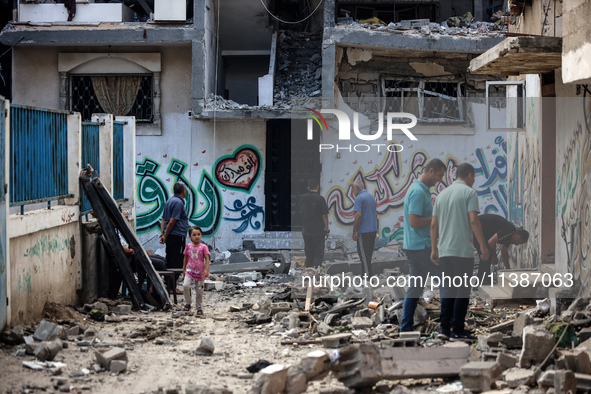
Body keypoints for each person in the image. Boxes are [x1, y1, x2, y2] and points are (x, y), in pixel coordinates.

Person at [431, 163, 489, 341]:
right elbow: (474, 221)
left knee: (447, 290)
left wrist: (434, 249)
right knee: (462, 291)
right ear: (470, 175)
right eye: (474, 177)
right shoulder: (469, 193)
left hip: (444, 252)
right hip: (462, 252)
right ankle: (457, 330)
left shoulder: (441, 195)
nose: (473, 181)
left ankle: (444, 329)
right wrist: (482, 246)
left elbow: (434, 225)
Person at [400, 159, 447, 332]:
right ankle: (446, 327)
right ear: (431, 171)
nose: (440, 179)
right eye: (439, 175)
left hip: (414, 246)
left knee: (415, 289)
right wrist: (435, 219)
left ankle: (405, 329)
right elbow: (414, 220)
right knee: (447, 281)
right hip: (421, 247)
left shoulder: (420, 190)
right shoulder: (418, 192)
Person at [474, 214, 529, 282]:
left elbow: (504, 253)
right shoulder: (508, 230)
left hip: (481, 232)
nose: (517, 245)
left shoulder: (509, 236)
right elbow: (491, 242)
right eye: (519, 243)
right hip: (476, 229)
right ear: (517, 237)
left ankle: (482, 280)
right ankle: (482, 281)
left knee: (486, 255)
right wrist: (494, 257)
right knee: (487, 253)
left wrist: (508, 270)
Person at [299, 179, 329, 268]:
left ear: (308, 188)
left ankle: (309, 271)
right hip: (318, 230)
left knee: (309, 252)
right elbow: (324, 216)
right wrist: (327, 230)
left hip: (306, 230)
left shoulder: (302, 198)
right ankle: (316, 272)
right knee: (318, 253)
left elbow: (302, 211)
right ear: (317, 187)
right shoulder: (320, 199)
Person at [352, 179, 378, 277]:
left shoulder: (359, 198)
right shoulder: (370, 197)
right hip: (372, 230)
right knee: (368, 255)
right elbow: (375, 214)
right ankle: (366, 275)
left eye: (353, 188)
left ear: (357, 187)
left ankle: (367, 277)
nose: (352, 191)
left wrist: (355, 231)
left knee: (363, 256)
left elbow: (358, 215)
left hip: (364, 231)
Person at [160, 182, 189, 269]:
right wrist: (165, 235)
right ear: (183, 190)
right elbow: (172, 221)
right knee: (177, 260)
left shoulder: (169, 200)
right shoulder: (178, 203)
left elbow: (163, 219)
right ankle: (172, 281)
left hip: (170, 235)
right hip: (177, 235)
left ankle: (168, 280)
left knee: (170, 257)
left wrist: (163, 233)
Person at [182, 226, 210, 315]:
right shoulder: (188, 246)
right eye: (194, 235)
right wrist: (184, 269)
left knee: (199, 290)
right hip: (189, 270)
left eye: (199, 234)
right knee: (185, 286)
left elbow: (207, 258)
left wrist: (206, 270)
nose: (197, 236)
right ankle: (188, 303)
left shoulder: (203, 247)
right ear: (190, 236)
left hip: (200, 272)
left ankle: (199, 308)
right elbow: (185, 258)